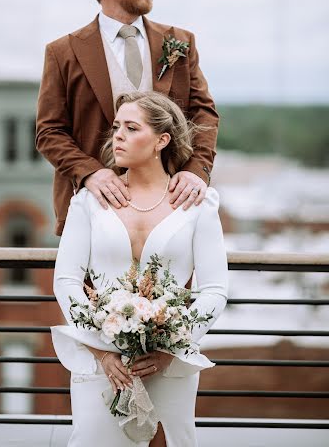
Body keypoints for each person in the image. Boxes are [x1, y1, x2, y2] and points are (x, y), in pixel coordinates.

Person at [52, 91, 228, 446]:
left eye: (131, 128)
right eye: (116, 127)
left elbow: (214, 290)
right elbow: (66, 280)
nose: (117, 135)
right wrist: (103, 351)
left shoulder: (198, 204)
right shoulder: (88, 201)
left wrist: (168, 349)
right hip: (102, 362)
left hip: (169, 363)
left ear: (162, 140)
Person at [36, 0, 219, 236]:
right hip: (93, 212)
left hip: (172, 209)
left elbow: (204, 115)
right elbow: (49, 132)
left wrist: (196, 172)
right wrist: (90, 173)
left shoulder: (181, 42)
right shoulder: (63, 53)